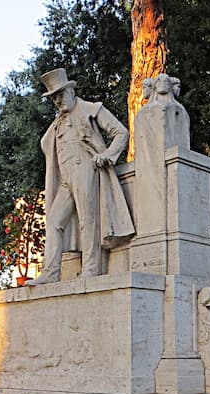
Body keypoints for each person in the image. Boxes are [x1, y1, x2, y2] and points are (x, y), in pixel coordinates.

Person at [27, 68, 134, 285]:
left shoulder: (91, 109)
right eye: (53, 97)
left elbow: (121, 132)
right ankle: (51, 272)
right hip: (66, 178)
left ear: (70, 91)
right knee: (55, 221)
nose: (57, 101)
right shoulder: (56, 123)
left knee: (88, 220)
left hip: (85, 168)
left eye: (59, 94)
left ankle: (91, 269)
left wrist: (107, 155)